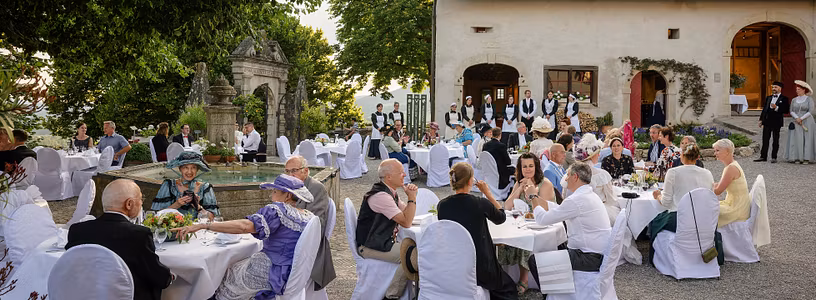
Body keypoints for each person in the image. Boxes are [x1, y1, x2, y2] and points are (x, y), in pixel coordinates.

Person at [172, 174, 316, 299]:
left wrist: (204, 225)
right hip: (292, 274)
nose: (271, 195)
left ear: (288, 195)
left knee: (221, 274)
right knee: (236, 264)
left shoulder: (278, 210)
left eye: (275, 191)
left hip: (272, 273)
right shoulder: (308, 216)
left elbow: (244, 226)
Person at [66, 179, 174, 300]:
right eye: (140, 200)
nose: (141, 204)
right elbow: (158, 277)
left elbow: (71, 267)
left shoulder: (77, 230)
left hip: (87, 295)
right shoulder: (138, 235)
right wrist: (170, 277)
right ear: (129, 204)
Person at [438, 162, 517, 299]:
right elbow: (501, 218)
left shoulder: (442, 205)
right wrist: (488, 193)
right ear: (470, 181)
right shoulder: (480, 203)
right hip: (480, 266)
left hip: (454, 263)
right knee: (509, 288)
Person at [527, 162, 611, 288]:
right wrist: (538, 199)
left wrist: (532, 196)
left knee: (534, 261)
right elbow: (560, 209)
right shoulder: (588, 195)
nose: (565, 179)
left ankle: (551, 295)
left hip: (588, 258)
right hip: (597, 253)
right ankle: (559, 288)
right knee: (559, 245)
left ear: (575, 177)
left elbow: (541, 220)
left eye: (567, 175)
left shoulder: (576, 200)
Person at [355, 159, 418, 299]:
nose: (404, 174)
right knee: (414, 255)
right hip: (370, 245)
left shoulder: (390, 193)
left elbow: (407, 216)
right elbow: (406, 222)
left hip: (382, 241)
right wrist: (412, 198)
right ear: (389, 177)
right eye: (401, 172)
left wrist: (410, 199)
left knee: (417, 251)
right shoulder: (381, 196)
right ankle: (392, 295)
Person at [500, 153, 560, 294]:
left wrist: (533, 191)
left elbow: (545, 210)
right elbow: (507, 207)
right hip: (525, 222)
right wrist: (519, 190)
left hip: (544, 223)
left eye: (531, 166)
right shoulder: (518, 183)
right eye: (524, 166)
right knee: (506, 235)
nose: (527, 169)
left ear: (536, 167)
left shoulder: (544, 184)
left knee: (527, 237)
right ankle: (505, 275)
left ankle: (524, 279)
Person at [284, 156, 336, 290]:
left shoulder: (315, 188)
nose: (290, 175)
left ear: (305, 171)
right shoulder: (286, 188)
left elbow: (316, 223)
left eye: (294, 170)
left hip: (308, 244)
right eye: (287, 171)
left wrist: (291, 209)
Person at [151, 151, 219, 219]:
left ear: (197, 169)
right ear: (180, 169)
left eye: (193, 167)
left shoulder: (205, 188)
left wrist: (197, 206)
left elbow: (212, 219)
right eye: (185, 167)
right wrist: (177, 204)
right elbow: (157, 216)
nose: (189, 171)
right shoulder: (169, 186)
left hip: (197, 228)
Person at [573, 133, 620, 225]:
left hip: (577, 213)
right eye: (597, 153)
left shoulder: (570, 175)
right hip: (599, 212)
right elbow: (611, 199)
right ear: (592, 156)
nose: (599, 155)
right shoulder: (602, 175)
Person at [713, 139, 751, 227]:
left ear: (727, 151)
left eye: (717, 150)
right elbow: (719, 185)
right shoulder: (732, 165)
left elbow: (718, 191)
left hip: (737, 209)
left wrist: (703, 186)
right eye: (715, 151)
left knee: (706, 211)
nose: (715, 153)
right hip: (736, 204)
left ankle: (712, 238)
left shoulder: (731, 168)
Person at [756, 81, 790, 163]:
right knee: (765, 139)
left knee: (775, 139)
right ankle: (763, 156)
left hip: (776, 122)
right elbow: (765, 109)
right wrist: (761, 120)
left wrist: (776, 108)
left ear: (780, 88)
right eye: (773, 87)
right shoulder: (769, 97)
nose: (774, 89)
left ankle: (774, 157)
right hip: (767, 121)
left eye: (776, 87)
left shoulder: (784, 99)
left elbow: (786, 110)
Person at [785, 80, 816, 164]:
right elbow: (791, 110)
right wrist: (796, 118)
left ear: (803, 90)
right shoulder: (794, 100)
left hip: (807, 121)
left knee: (807, 138)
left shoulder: (809, 99)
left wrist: (801, 118)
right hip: (796, 120)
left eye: (799, 89)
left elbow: (810, 111)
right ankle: (797, 157)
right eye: (796, 89)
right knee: (797, 138)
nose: (797, 91)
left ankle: (806, 157)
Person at [482, 127, 515, 192]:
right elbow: (508, 162)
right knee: (515, 169)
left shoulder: (485, 145)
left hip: (489, 170)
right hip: (500, 171)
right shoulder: (501, 146)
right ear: (500, 135)